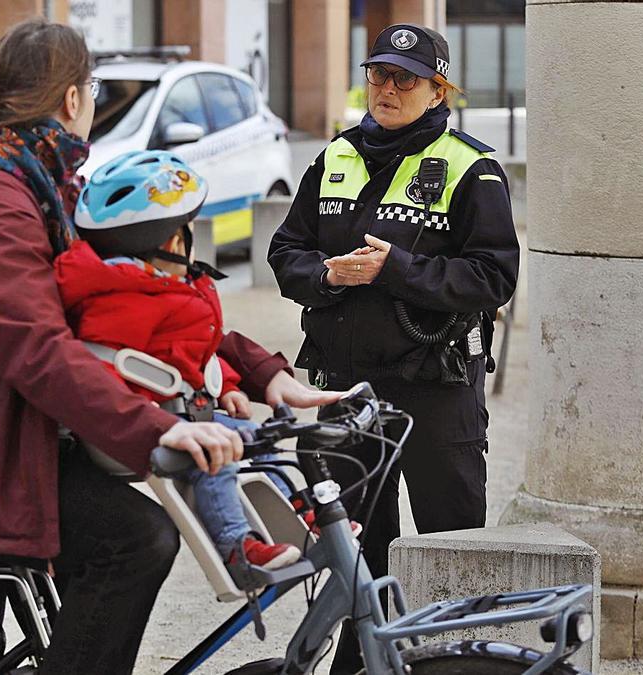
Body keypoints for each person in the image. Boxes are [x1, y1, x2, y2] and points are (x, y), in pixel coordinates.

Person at [0, 19, 339, 675]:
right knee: (134, 537)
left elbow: (130, 312)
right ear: (72, 99)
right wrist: (154, 428)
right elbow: (32, 347)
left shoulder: (30, 185)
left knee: (136, 534)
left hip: (11, 438)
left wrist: (259, 373)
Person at [267, 23, 519, 672]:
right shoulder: (337, 156)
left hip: (435, 387)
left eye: (404, 78)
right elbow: (286, 251)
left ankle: (453, 662)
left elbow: (493, 276)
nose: (386, 88)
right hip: (346, 387)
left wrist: (395, 269)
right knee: (356, 555)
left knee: (449, 547)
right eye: (378, 74)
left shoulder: (472, 167)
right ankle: (358, 664)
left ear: (438, 90)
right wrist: (327, 275)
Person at [56, 149, 302, 571]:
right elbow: (101, 366)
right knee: (218, 457)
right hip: (155, 421)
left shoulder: (155, 288)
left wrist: (223, 384)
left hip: (186, 408)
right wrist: (155, 414)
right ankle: (237, 546)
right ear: (171, 242)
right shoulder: (120, 299)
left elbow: (190, 350)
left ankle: (300, 511)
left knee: (258, 438)